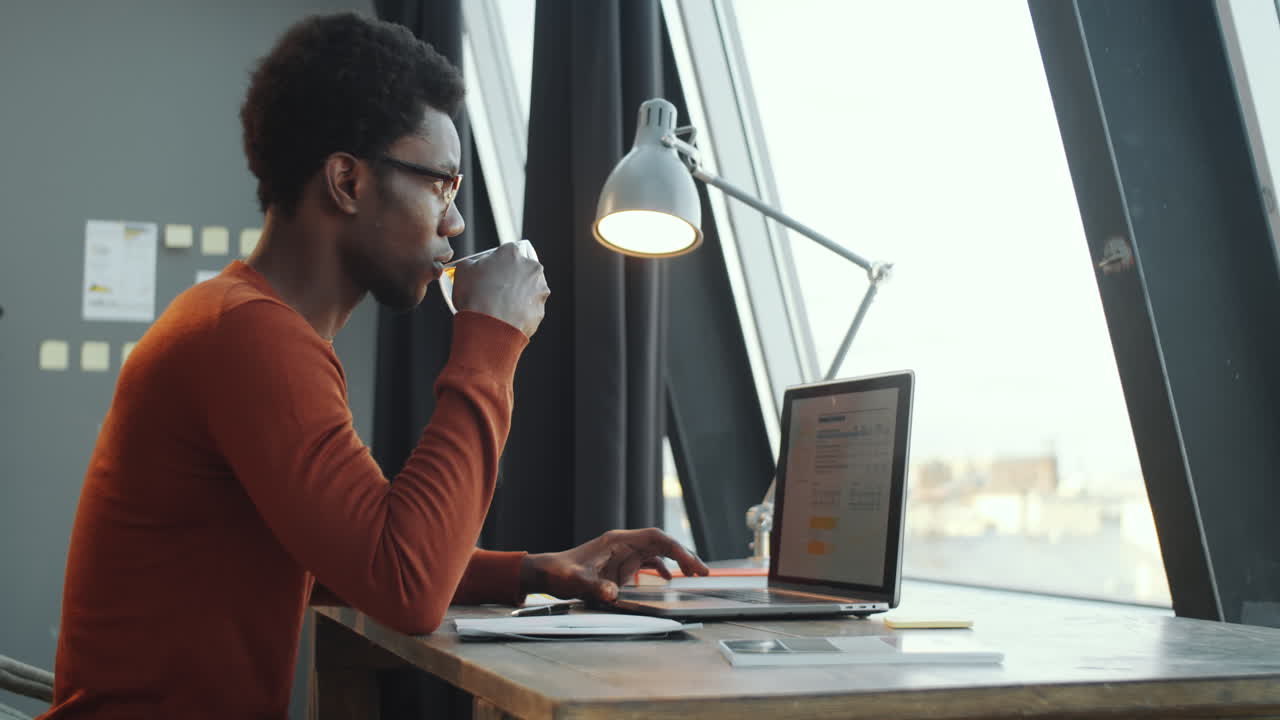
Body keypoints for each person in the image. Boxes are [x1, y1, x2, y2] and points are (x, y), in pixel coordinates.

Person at [41, 12, 707, 719]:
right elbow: (405, 586)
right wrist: (491, 339)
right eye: (441, 186)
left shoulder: (247, 325)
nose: (454, 223)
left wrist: (532, 572)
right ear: (347, 182)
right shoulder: (249, 339)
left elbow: (353, 553)